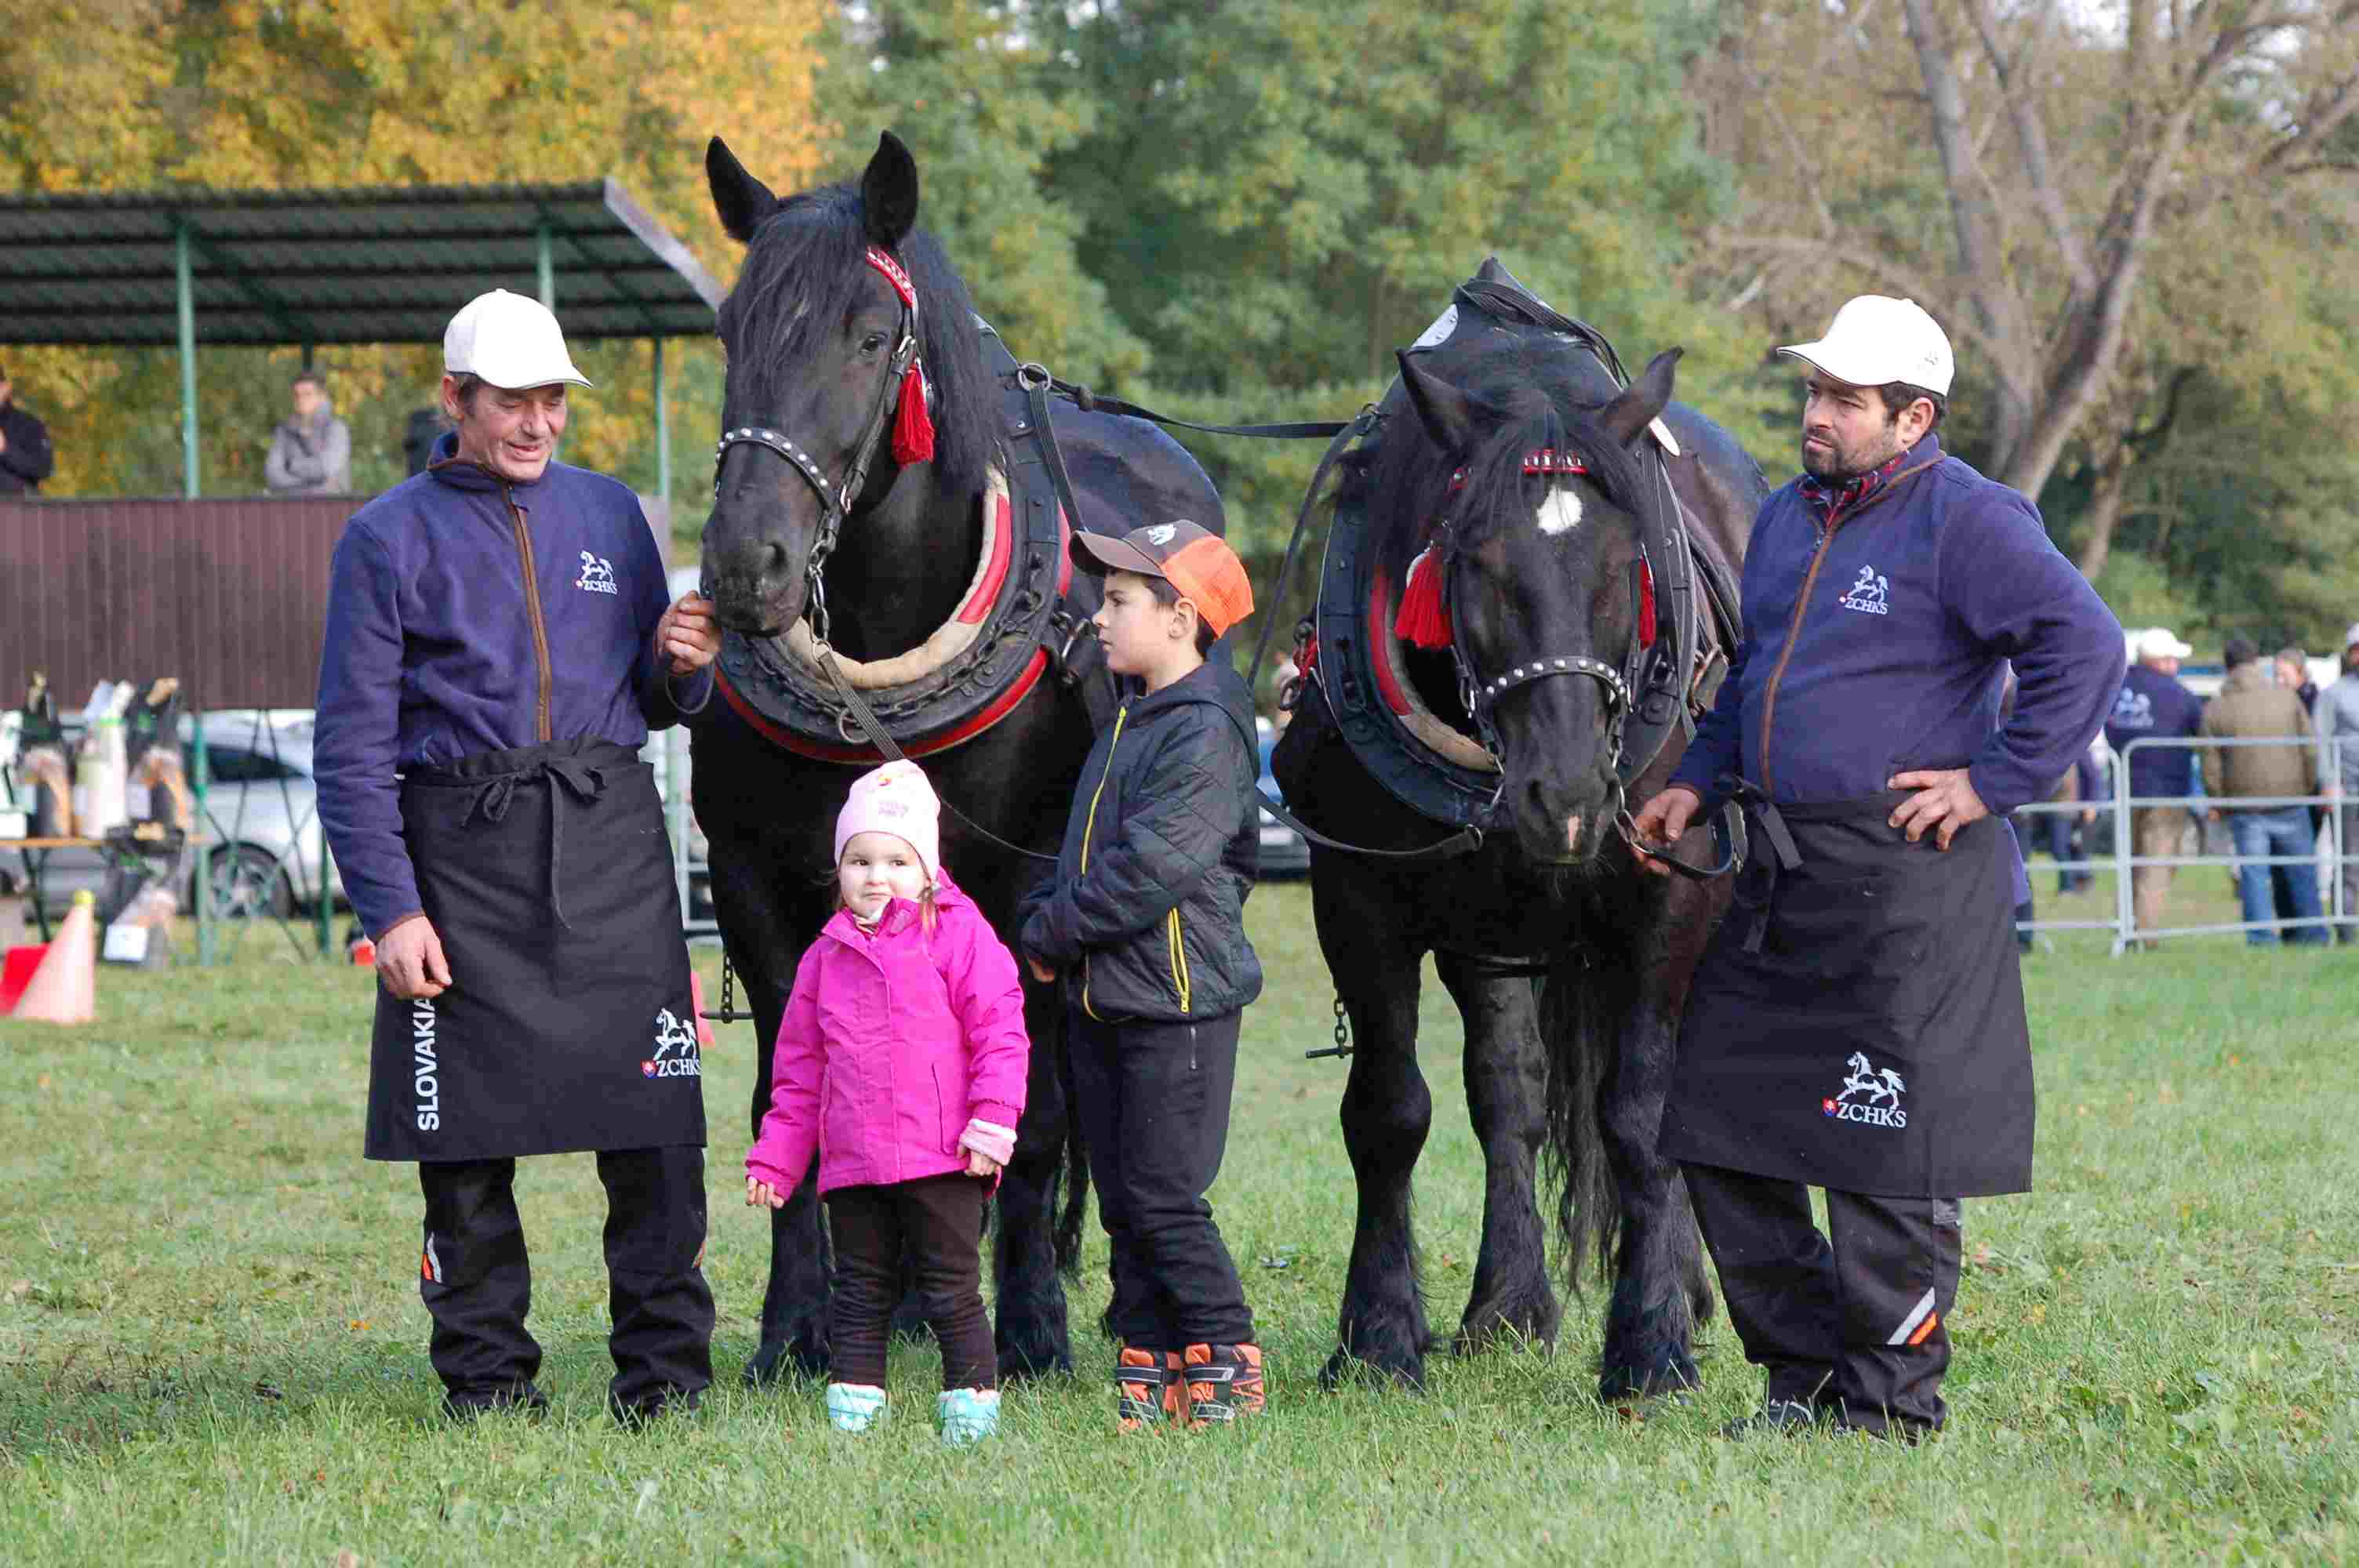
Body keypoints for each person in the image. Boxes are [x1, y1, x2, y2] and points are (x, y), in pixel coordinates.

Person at [1631, 296, 2121, 1441]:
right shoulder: (1785, 518)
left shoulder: (1969, 518)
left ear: (1913, 418)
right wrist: (1696, 779)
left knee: (1884, 1150)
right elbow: (1755, 678)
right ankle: (1802, 1374)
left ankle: (1890, 1404)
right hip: (1779, 874)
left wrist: (1991, 781)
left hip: (1908, 878)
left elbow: (2084, 644)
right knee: (1714, 1124)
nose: (1816, 413)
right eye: (1814, 391)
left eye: (1844, 399)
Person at [314, 289, 723, 1425]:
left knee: (656, 1132)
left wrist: (680, 664)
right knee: (463, 1146)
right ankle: (488, 1381)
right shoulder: (384, 536)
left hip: (611, 844)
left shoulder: (612, 513)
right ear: (455, 398)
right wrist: (391, 910)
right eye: (512, 402)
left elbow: (652, 695)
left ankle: (666, 1380)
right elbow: (349, 747)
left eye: (552, 400)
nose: (538, 423)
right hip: (460, 863)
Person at [1014, 519, 1267, 1432]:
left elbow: (1149, 868)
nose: (1099, 615)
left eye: (1119, 600)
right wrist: (1040, 905)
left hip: (1175, 1004)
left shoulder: (1204, 729)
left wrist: (1049, 930)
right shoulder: (1128, 717)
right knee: (1123, 1199)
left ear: (1179, 618)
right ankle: (1150, 1359)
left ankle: (1225, 1354)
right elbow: (1082, 849)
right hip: (1105, 996)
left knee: (1164, 1197)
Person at [744, 761, 1030, 1446]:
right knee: (858, 1291)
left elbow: (1000, 1031)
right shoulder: (824, 958)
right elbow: (799, 1072)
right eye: (860, 860)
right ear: (838, 870)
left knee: (951, 1288)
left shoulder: (960, 936)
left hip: (945, 1155)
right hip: (856, 1161)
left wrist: (993, 1121)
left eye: (897, 861)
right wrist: (778, 1157)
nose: (878, 877)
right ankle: (855, 1417)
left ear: (927, 868)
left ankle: (970, 1414)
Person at [2201, 637, 2325, 946]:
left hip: (2246, 805)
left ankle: (2261, 937)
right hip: (2291, 798)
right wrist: (2305, 786)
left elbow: (2211, 764)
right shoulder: (2287, 699)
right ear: (2256, 662)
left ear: (2227, 667)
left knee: (2254, 875)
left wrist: (2219, 800)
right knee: (2302, 871)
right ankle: (2313, 932)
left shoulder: (2216, 708)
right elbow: (2310, 750)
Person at [2104, 628, 2206, 945]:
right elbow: (2204, 735)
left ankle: (2125, 925)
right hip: (2167, 793)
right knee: (2157, 864)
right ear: (2160, 661)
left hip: (2124, 790)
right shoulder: (2181, 695)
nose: (2177, 665)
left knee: (2128, 861)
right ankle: (2145, 934)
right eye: (2173, 659)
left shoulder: (2115, 690)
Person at [2320, 622, 2359, 944]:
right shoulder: (2334, 694)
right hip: (2348, 790)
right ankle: (2346, 931)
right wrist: (2330, 782)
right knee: (2348, 863)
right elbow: (2321, 740)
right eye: (2356, 650)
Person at [264, 371, 353, 495]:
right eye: (297, 395)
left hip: (332, 503)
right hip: (293, 503)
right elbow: (272, 475)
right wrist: (313, 484)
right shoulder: (283, 431)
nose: (301, 400)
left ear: (322, 397)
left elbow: (325, 469)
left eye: (307, 394)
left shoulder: (336, 429)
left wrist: (290, 465)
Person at [0, 366, 56, 495]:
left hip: (18, 503)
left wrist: (5, 449)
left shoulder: (29, 425)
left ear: (5, 388)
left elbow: (44, 469)